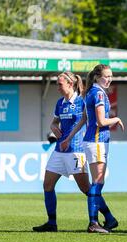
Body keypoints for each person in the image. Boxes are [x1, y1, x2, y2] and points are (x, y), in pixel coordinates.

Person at [61, 64, 124, 233]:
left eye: (111, 76)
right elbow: (101, 122)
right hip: (97, 141)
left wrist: (68, 137)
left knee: (97, 183)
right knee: (97, 183)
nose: (109, 79)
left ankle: (108, 219)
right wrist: (116, 119)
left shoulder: (90, 92)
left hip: (91, 141)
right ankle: (93, 222)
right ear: (97, 77)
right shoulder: (98, 94)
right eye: (106, 76)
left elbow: (83, 119)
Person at [33, 72, 90, 232]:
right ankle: (52, 223)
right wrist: (53, 128)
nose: (57, 87)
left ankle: (108, 217)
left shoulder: (82, 101)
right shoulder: (60, 103)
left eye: (60, 84)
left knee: (86, 189)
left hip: (76, 150)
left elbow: (90, 121)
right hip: (59, 150)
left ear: (70, 84)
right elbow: (54, 122)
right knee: (47, 184)